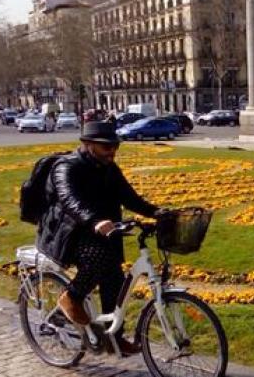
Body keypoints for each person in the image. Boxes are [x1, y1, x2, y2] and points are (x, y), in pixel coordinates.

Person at [35, 121, 173, 355]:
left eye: (114, 147)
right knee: (98, 260)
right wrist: (94, 220)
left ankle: (114, 339)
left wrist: (156, 212)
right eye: (106, 147)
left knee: (115, 283)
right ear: (88, 145)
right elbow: (70, 200)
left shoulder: (109, 167)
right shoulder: (66, 167)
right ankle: (70, 298)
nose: (112, 152)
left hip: (105, 231)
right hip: (72, 233)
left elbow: (129, 197)